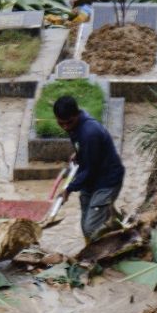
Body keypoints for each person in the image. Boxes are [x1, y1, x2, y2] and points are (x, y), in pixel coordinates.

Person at [53, 94, 125, 241]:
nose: (66, 127)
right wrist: (79, 154)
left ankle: (115, 242)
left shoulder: (90, 133)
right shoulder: (77, 127)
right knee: (85, 224)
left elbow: (90, 170)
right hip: (92, 179)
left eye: (69, 122)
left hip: (106, 180)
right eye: (61, 123)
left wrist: (69, 189)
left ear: (77, 114)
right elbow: (89, 155)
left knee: (91, 229)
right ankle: (112, 219)